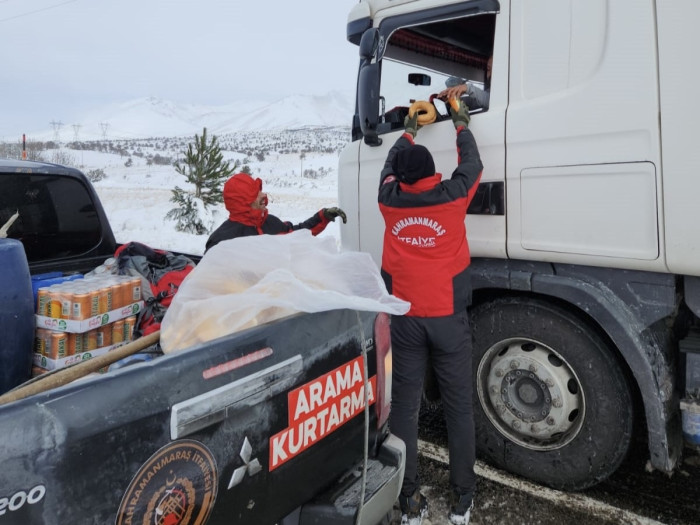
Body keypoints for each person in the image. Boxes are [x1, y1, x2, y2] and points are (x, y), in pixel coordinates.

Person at [377, 100, 482, 525]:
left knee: (404, 408)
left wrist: (407, 128)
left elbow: (387, 164)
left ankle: (409, 500)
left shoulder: (389, 199)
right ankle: (462, 499)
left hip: (405, 319)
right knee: (458, 408)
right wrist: (459, 120)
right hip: (447, 320)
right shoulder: (454, 195)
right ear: (430, 173)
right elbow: (472, 162)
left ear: (401, 179)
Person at [205, 173, 346, 252]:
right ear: (242, 203)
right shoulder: (222, 241)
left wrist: (322, 217)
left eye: (260, 190)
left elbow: (296, 234)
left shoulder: (269, 223)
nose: (263, 195)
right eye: (255, 193)